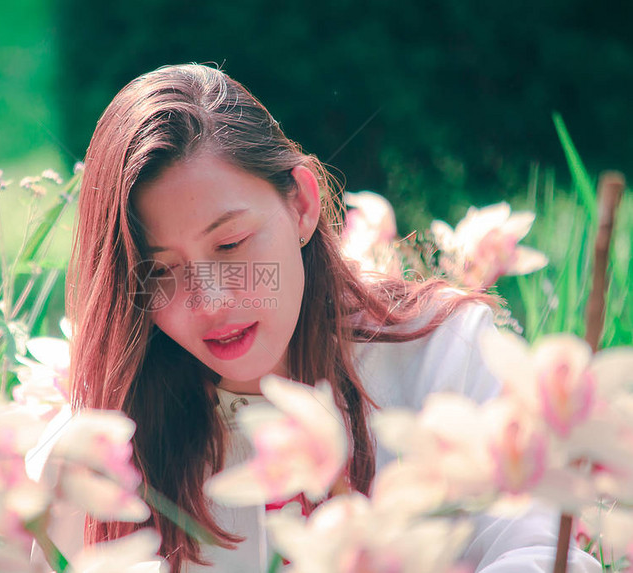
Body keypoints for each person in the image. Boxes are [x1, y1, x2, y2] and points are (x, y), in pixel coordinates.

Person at [65, 63, 600, 572]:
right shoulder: (107, 435)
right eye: (160, 272)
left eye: (229, 244)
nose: (210, 301)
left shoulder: (443, 353)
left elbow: (544, 551)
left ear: (301, 203)